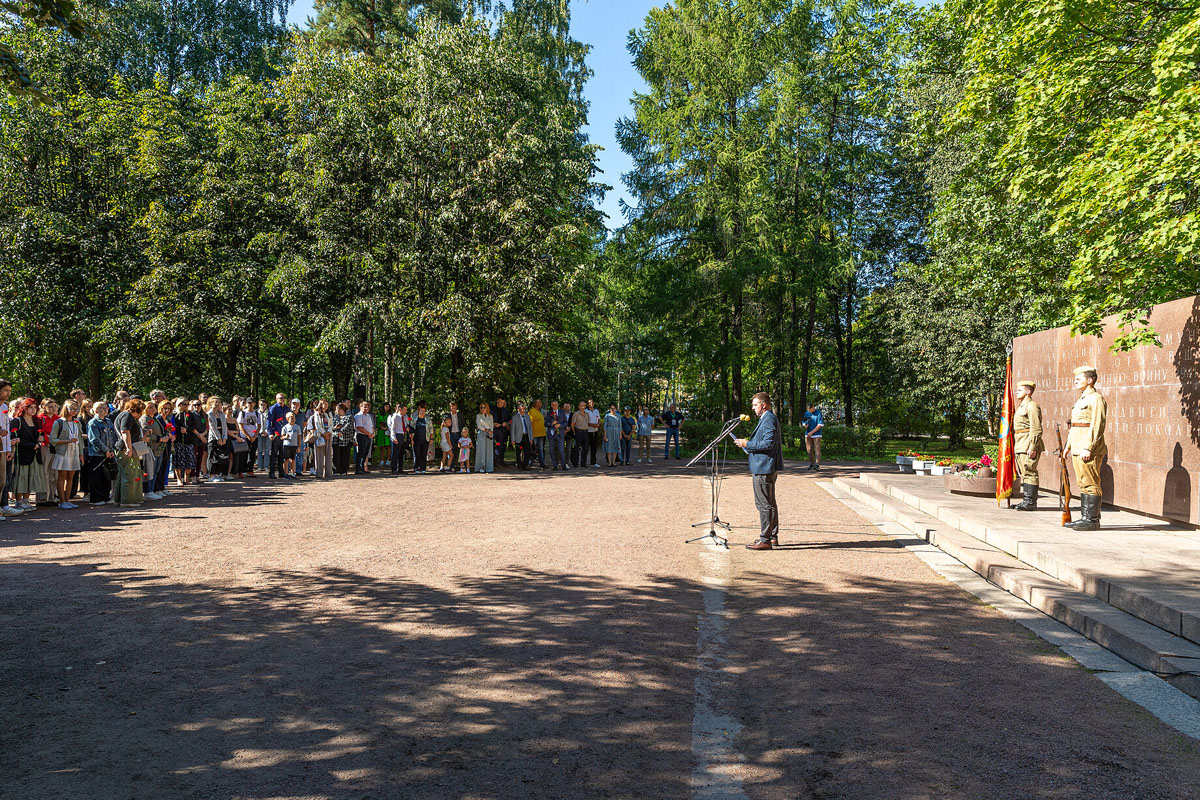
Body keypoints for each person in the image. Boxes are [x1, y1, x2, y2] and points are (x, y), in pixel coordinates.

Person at [735, 391, 783, 551]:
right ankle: (772, 536)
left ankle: (765, 539)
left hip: (764, 467)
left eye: (755, 405)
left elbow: (767, 444)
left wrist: (747, 444)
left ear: (763, 405)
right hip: (766, 466)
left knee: (764, 504)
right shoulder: (768, 419)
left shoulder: (768, 419)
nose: (753, 408)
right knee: (770, 503)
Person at [1063, 365, 1107, 531]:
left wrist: (1089, 447)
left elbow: (1097, 425)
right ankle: (1084, 517)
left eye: (1079, 378)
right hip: (1077, 447)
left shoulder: (1096, 399)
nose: (1075, 380)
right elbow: (1075, 426)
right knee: (1082, 483)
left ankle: (1092, 520)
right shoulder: (1082, 399)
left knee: (1091, 483)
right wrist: (1068, 446)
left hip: (1088, 448)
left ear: (1090, 380)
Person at [1012, 381, 1044, 511]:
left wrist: (1033, 446)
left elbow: (1036, 428)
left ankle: (1030, 502)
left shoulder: (1032, 406)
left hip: (1027, 442)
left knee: (1030, 472)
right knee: (1024, 472)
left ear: (1028, 392)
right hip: (1021, 442)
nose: (1016, 392)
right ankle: (1026, 500)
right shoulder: (1021, 407)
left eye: (1020, 390)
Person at [12, 398, 46, 510]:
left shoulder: (37, 421)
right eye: (30, 407)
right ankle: (18, 501)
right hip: (22, 454)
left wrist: (40, 440)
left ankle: (26, 500)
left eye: (35, 407)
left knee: (31, 477)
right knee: (21, 477)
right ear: (24, 408)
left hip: (35, 454)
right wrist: (31, 445)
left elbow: (40, 435)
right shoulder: (17, 421)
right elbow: (16, 438)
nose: (33, 410)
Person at [50, 399, 83, 509]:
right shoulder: (59, 422)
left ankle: (68, 500)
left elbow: (80, 440)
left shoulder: (76, 423)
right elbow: (53, 439)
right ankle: (62, 501)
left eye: (76, 409)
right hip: (63, 452)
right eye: (71, 409)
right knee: (62, 477)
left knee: (71, 477)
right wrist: (68, 441)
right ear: (66, 409)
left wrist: (81, 454)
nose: (74, 411)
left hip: (75, 451)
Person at [112, 398, 146, 507]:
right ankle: (128, 500)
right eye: (140, 411)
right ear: (135, 409)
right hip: (125, 449)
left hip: (121, 448)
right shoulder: (127, 416)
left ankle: (119, 499)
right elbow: (125, 432)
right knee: (129, 474)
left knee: (122, 474)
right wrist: (129, 448)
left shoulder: (122, 415)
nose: (140, 415)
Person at [86, 401, 117, 504]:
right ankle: (96, 498)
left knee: (106, 476)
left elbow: (112, 437)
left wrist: (112, 450)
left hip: (109, 452)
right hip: (97, 453)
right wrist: (105, 450)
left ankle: (105, 496)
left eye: (106, 408)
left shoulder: (108, 421)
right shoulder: (93, 423)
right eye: (103, 408)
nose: (106, 410)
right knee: (96, 476)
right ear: (96, 410)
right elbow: (94, 439)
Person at [139, 401, 166, 499]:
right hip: (151, 448)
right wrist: (159, 438)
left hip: (158, 448)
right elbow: (146, 433)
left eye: (153, 407)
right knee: (150, 469)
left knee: (156, 470)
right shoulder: (144, 419)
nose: (152, 409)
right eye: (149, 407)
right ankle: (147, 491)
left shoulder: (155, 418)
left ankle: (154, 489)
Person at [0, 381, 17, 517]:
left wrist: (8, 449)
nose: (8, 393)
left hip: (3, 449)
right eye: (6, 390)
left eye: (9, 391)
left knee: (3, 480)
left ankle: (3, 507)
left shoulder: (4, 406)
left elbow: (7, 431)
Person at [38, 397, 60, 504]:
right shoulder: (40, 418)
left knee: (54, 473)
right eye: (50, 406)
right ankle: (43, 498)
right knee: (44, 472)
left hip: (56, 447)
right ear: (44, 407)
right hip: (45, 446)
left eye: (54, 406)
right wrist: (48, 440)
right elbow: (40, 432)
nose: (52, 408)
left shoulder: (58, 419)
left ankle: (52, 497)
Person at [172, 399, 197, 486]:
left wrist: (187, 429)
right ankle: (179, 478)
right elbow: (172, 425)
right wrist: (179, 430)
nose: (186, 405)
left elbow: (194, 425)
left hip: (188, 440)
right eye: (184, 404)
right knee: (178, 460)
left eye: (187, 404)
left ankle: (187, 476)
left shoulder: (190, 414)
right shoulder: (174, 415)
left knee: (189, 460)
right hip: (178, 440)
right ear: (179, 404)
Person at [206, 397, 230, 482]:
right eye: (216, 402)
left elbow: (224, 426)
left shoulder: (222, 414)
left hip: (222, 437)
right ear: (211, 403)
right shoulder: (209, 414)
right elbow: (212, 428)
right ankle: (211, 475)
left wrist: (224, 438)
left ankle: (217, 474)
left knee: (220, 456)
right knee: (212, 456)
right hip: (213, 438)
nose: (218, 404)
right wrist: (218, 438)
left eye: (219, 402)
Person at [308, 399, 333, 479]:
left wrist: (328, 432)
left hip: (328, 435)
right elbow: (317, 424)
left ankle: (328, 473)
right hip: (319, 435)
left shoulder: (329, 413)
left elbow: (332, 424)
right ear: (320, 405)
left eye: (327, 404)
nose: (326, 405)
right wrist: (323, 433)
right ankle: (319, 473)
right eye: (324, 404)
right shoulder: (316, 414)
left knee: (328, 453)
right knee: (319, 454)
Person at [267, 393, 289, 479]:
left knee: (282, 455)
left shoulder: (287, 409)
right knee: (274, 454)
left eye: (283, 398)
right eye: (280, 398)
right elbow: (269, 421)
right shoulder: (273, 408)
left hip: (285, 435)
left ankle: (281, 472)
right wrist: (270, 433)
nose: (282, 399)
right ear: (276, 399)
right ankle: (272, 472)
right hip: (276, 434)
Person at [238, 398, 261, 477]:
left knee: (252, 454)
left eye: (251, 403)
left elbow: (259, 425)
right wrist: (248, 436)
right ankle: (242, 470)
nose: (250, 404)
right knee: (243, 454)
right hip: (244, 436)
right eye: (248, 403)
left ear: (254, 404)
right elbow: (240, 425)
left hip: (254, 436)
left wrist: (254, 436)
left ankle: (250, 470)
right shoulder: (243, 413)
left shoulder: (257, 414)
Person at [331, 403, 355, 475]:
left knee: (345, 455)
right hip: (335, 438)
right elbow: (331, 426)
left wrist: (341, 431)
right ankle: (336, 470)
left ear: (342, 409)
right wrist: (335, 428)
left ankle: (344, 470)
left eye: (337, 409)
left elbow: (348, 426)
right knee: (336, 455)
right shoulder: (335, 417)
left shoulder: (349, 417)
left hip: (346, 439)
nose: (336, 410)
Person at [388, 403, 411, 474]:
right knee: (395, 453)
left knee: (401, 453)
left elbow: (406, 425)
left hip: (402, 435)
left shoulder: (404, 417)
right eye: (405, 409)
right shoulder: (395, 417)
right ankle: (394, 469)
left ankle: (400, 468)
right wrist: (394, 438)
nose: (406, 411)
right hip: (397, 435)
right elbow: (393, 428)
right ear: (400, 409)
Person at [354, 401, 375, 474]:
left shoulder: (369, 416)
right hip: (361, 436)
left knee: (366, 453)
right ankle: (358, 469)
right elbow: (359, 427)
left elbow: (371, 426)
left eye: (367, 407)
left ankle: (363, 467)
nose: (366, 408)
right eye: (364, 407)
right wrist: (368, 433)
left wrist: (372, 433)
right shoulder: (358, 416)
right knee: (360, 452)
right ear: (360, 407)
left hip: (369, 436)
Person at [546, 400, 568, 470]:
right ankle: (555, 465)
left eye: (556, 405)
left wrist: (560, 425)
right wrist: (551, 423)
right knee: (551, 450)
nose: (555, 406)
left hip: (560, 434)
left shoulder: (562, 412)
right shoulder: (549, 413)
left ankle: (563, 465)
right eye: (553, 405)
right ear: (551, 405)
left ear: (558, 405)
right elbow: (545, 423)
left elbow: (566, 423)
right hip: (552, 434)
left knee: (561, 450)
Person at [802, 402, 824, 471]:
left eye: (811, 410)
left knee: (817, 449)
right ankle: (811, 463)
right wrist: (805, 425)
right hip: (808, 434)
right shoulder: (806, 413)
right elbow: (803, 421)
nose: (810, 411)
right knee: (809, 449)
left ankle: (817, 465)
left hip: (817, 434)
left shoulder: (818, 413)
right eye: (809, 410)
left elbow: (819, 425)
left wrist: (812, 432)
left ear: (813, 407)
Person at [510, 402, 532, 470]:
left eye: (523, 409)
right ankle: (519, 466)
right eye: (521, 409)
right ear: (518, 410)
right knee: (518, 452)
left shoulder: (527, 417)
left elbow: (530, 428)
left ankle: (525, 466)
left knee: (528, 452)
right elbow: (512, 429)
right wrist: (512, 439)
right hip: (518, 437)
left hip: (526, 436)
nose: (522, 410)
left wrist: (531, 438)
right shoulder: (515, 417)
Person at [475, 402, 494, 474]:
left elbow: (491, 425)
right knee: (481, 450)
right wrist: (487, 430)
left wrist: (491, 432)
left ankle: (489, 467)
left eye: (484, 407)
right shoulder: (478, 416)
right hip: (482, 433)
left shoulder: (490, 416)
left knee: (489, 450)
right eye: (481, 407)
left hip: (489, 434)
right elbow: (479, 426)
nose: (483, 409)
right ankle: (480, 467)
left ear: (487, 408)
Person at [571, 400, 590, 469]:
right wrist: (574, 432)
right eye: (581, 406)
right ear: (579, 407)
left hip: (585, 432)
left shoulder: (587, 414)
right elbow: (572, 424)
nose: (583, 407)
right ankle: (575, 464)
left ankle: (583, 464)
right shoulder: (576, 414)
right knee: (577, 448)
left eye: (584, 405)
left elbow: (588, 423)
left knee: (585, 449)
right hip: (578, 432)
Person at [412, 403, 430, 474]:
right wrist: (411, 440)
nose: (422, 412)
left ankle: (423, 468)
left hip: (425, 439)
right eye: (421, 410)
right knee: (417, 454)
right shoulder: (415, 420)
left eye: (423, 410)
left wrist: (431, 439)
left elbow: (431, 430)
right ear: (418, 411)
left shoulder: (428, 420)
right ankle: (416, 467)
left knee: (424, 454)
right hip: (416, 440)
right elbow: (411, 431)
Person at [493, 397, 511, 467]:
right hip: (494, 430)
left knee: (500, 446)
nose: (502, 404)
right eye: (500, 402)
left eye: (503, 403)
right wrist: (493, 424)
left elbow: (509, 421)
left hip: (502, 430)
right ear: (497, 401)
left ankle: (498, 461)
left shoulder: (506, 411)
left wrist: (506, 423)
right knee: (494, 445)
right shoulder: (492, 410)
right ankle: (493, 461)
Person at [530, 399, 547, 469]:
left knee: (541, 449)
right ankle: (529, 463)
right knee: (533, 449)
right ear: (535, 404)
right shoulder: (532, 412)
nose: (541, 403)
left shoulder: (539, 412)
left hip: (541, 434)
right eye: (539, 402)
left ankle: (542, 464)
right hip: (535, 434)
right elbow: (529, 423)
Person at [447, 401, 465, 466]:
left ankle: (461, 465)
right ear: (450, 408)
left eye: (454, 408)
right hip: (451, 434)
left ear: (456, 407)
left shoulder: (460, 415)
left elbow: (463, 425)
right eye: (452, 407)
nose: (453, 409)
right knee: (451, 450)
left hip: (458, 434)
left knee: (461, 450)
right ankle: (451, 465)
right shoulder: (447, 416)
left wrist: (464, 434)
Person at [375, 402, 392, 470]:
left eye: (388, 406)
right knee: (382, 446)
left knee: (388, 446)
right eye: (386, 406)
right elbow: (377, 423)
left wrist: (388, 428)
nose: (387, 408)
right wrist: (381, 427)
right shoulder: (379, 415)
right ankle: (381, 460)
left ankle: (388, 460)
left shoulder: (390, 415)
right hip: (381, 432)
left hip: (388, 431)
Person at [586, 399, 601, 467]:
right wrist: (592, 425)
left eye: (592, 402)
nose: (591, 403)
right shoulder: (586, 411)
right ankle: (584, 462)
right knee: (586, 447)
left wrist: (598, 424)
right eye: (589, 402)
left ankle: (593, 463)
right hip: (588, 431)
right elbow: (585, 422)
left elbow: (599, 419)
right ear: (587, 404)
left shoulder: (596, 411)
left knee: (594, 448)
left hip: (595, 431)